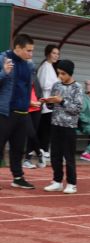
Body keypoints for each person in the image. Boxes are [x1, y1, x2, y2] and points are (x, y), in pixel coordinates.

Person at [39, 59, 83, 194]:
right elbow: (51, 105)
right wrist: (48, 102)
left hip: (69, 127)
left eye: (63, 74)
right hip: (55, 124)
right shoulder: (56, 85)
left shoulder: (78, 88)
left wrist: (62, 101)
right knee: (55, 155)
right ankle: (57, 181)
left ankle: (71, 183)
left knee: (69, 156)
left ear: (70, 73)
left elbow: (77, 109)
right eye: (59, 73)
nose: (60, 76)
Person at [0, 33, 37, 189]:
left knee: (18, 147)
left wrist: (29, 102)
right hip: (5, 111)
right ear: (18, 48)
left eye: (32, 50)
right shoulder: (3, 59)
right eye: (28, 50)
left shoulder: (29, 65)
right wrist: (4, 73)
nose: (31, 54)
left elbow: (26, 87)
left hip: (23, 112)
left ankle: (18, 177)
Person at [35, 43, 60, 163]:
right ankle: (43, 149)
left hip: (49, 102)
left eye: (57, 54)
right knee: (45, 128)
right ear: (48, 54)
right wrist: (57, 84)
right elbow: (44, 85)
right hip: (46, 101)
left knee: (46, 128)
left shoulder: (50, 67)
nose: (56, 56)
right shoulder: (46, 66)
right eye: (54, 53)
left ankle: (43, 149)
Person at [23, 80, 43, 169]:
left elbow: (39, 94)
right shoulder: (21, 80)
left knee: (33, 135)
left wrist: (40, 102)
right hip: (25, 110)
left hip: (37, 110)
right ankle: (39, 153)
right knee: (31, 133)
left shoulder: (35, 79)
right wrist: (30, 103)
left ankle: (27, 159)